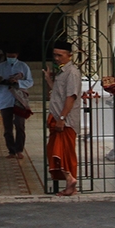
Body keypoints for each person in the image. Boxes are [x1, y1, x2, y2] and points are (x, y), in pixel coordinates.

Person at [44, 39, 82, 197]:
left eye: (60, 55)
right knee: (59, 151)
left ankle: (70, 179)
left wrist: (61, 118)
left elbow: (70, 98)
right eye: (55, 55)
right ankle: (70, 185)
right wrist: (48, 79)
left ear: (70, 56)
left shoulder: (72, 72)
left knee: (61, 152)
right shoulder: (62, 72)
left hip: (66, 121)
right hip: (59, 118)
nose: (57, 58)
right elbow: (59, 93)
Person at [0, 46, 33, 158]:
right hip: (5, 98)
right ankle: (11, 150)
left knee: (20, 125)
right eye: (9, 56)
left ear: (17, 55)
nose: (10, 58)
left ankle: (19, 149)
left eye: (13, 56)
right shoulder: (0, 67)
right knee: (7, 127)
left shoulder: (23, 66)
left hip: (19, 99)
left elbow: (30, 82)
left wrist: (18, 82)